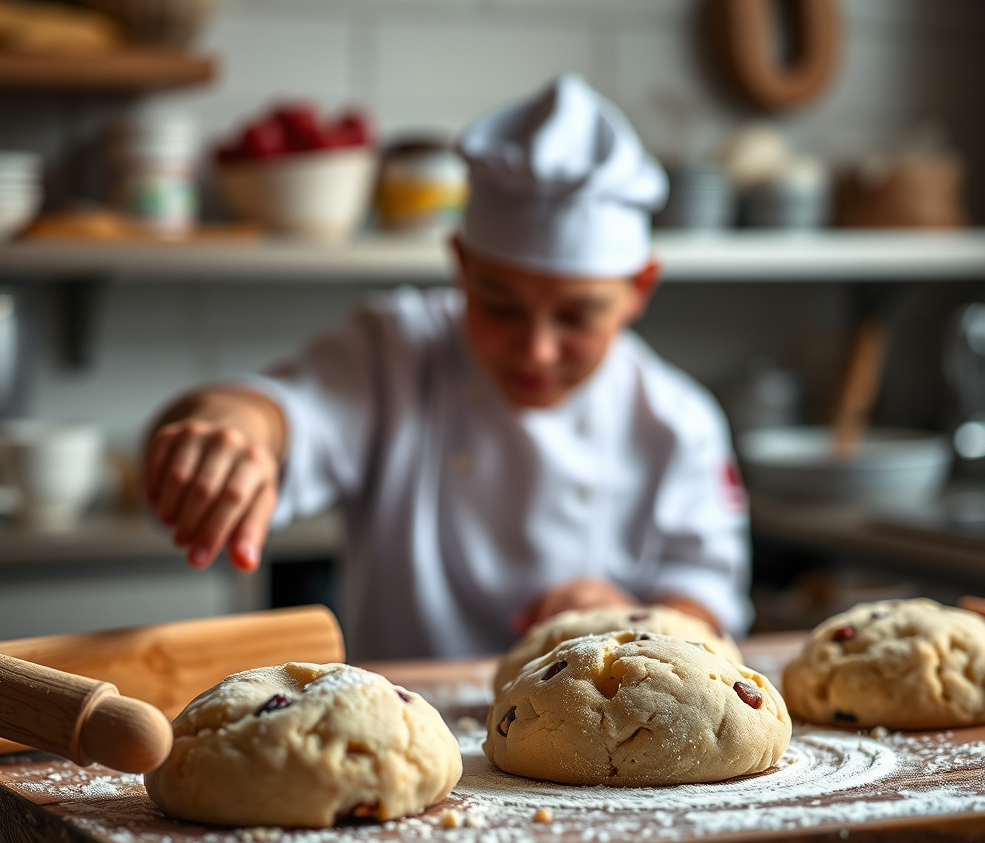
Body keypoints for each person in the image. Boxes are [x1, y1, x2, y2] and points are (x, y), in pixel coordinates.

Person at [144, 75, 751, 660]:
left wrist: (632, 618)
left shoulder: (679, 421)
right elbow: (285, 410)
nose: (536, 349)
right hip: (401, 719)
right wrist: (232, 429)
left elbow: (710, 602)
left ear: (639, 288)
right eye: (500, 306)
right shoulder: (395, 352)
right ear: (460, 265)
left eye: (576, 316)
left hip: (601, 727)